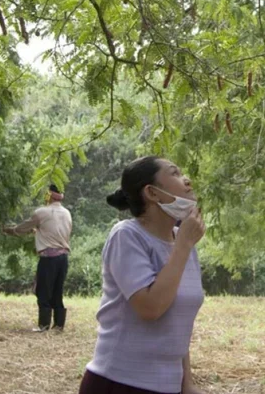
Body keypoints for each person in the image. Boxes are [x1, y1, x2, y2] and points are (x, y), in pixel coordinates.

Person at [79, 156, 207, 394]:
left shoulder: (184, 242)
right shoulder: (126, 235)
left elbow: (177, 324)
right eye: (176, 173)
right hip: (119, 382)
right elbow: (150, 308)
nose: (187, 181)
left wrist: (186, 383)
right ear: (152, 193)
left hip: (169, 385)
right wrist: (183, 246)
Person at [4, 183, 73, 332]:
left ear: (48, 195)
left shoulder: (42, 212)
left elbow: (23, 228)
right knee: (57, 291)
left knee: (43, 291)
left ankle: (44, 325)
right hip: (63, 258)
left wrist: (10, 230)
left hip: (48, 258)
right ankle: (59, 325)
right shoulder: (67, 213)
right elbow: (57, 231)